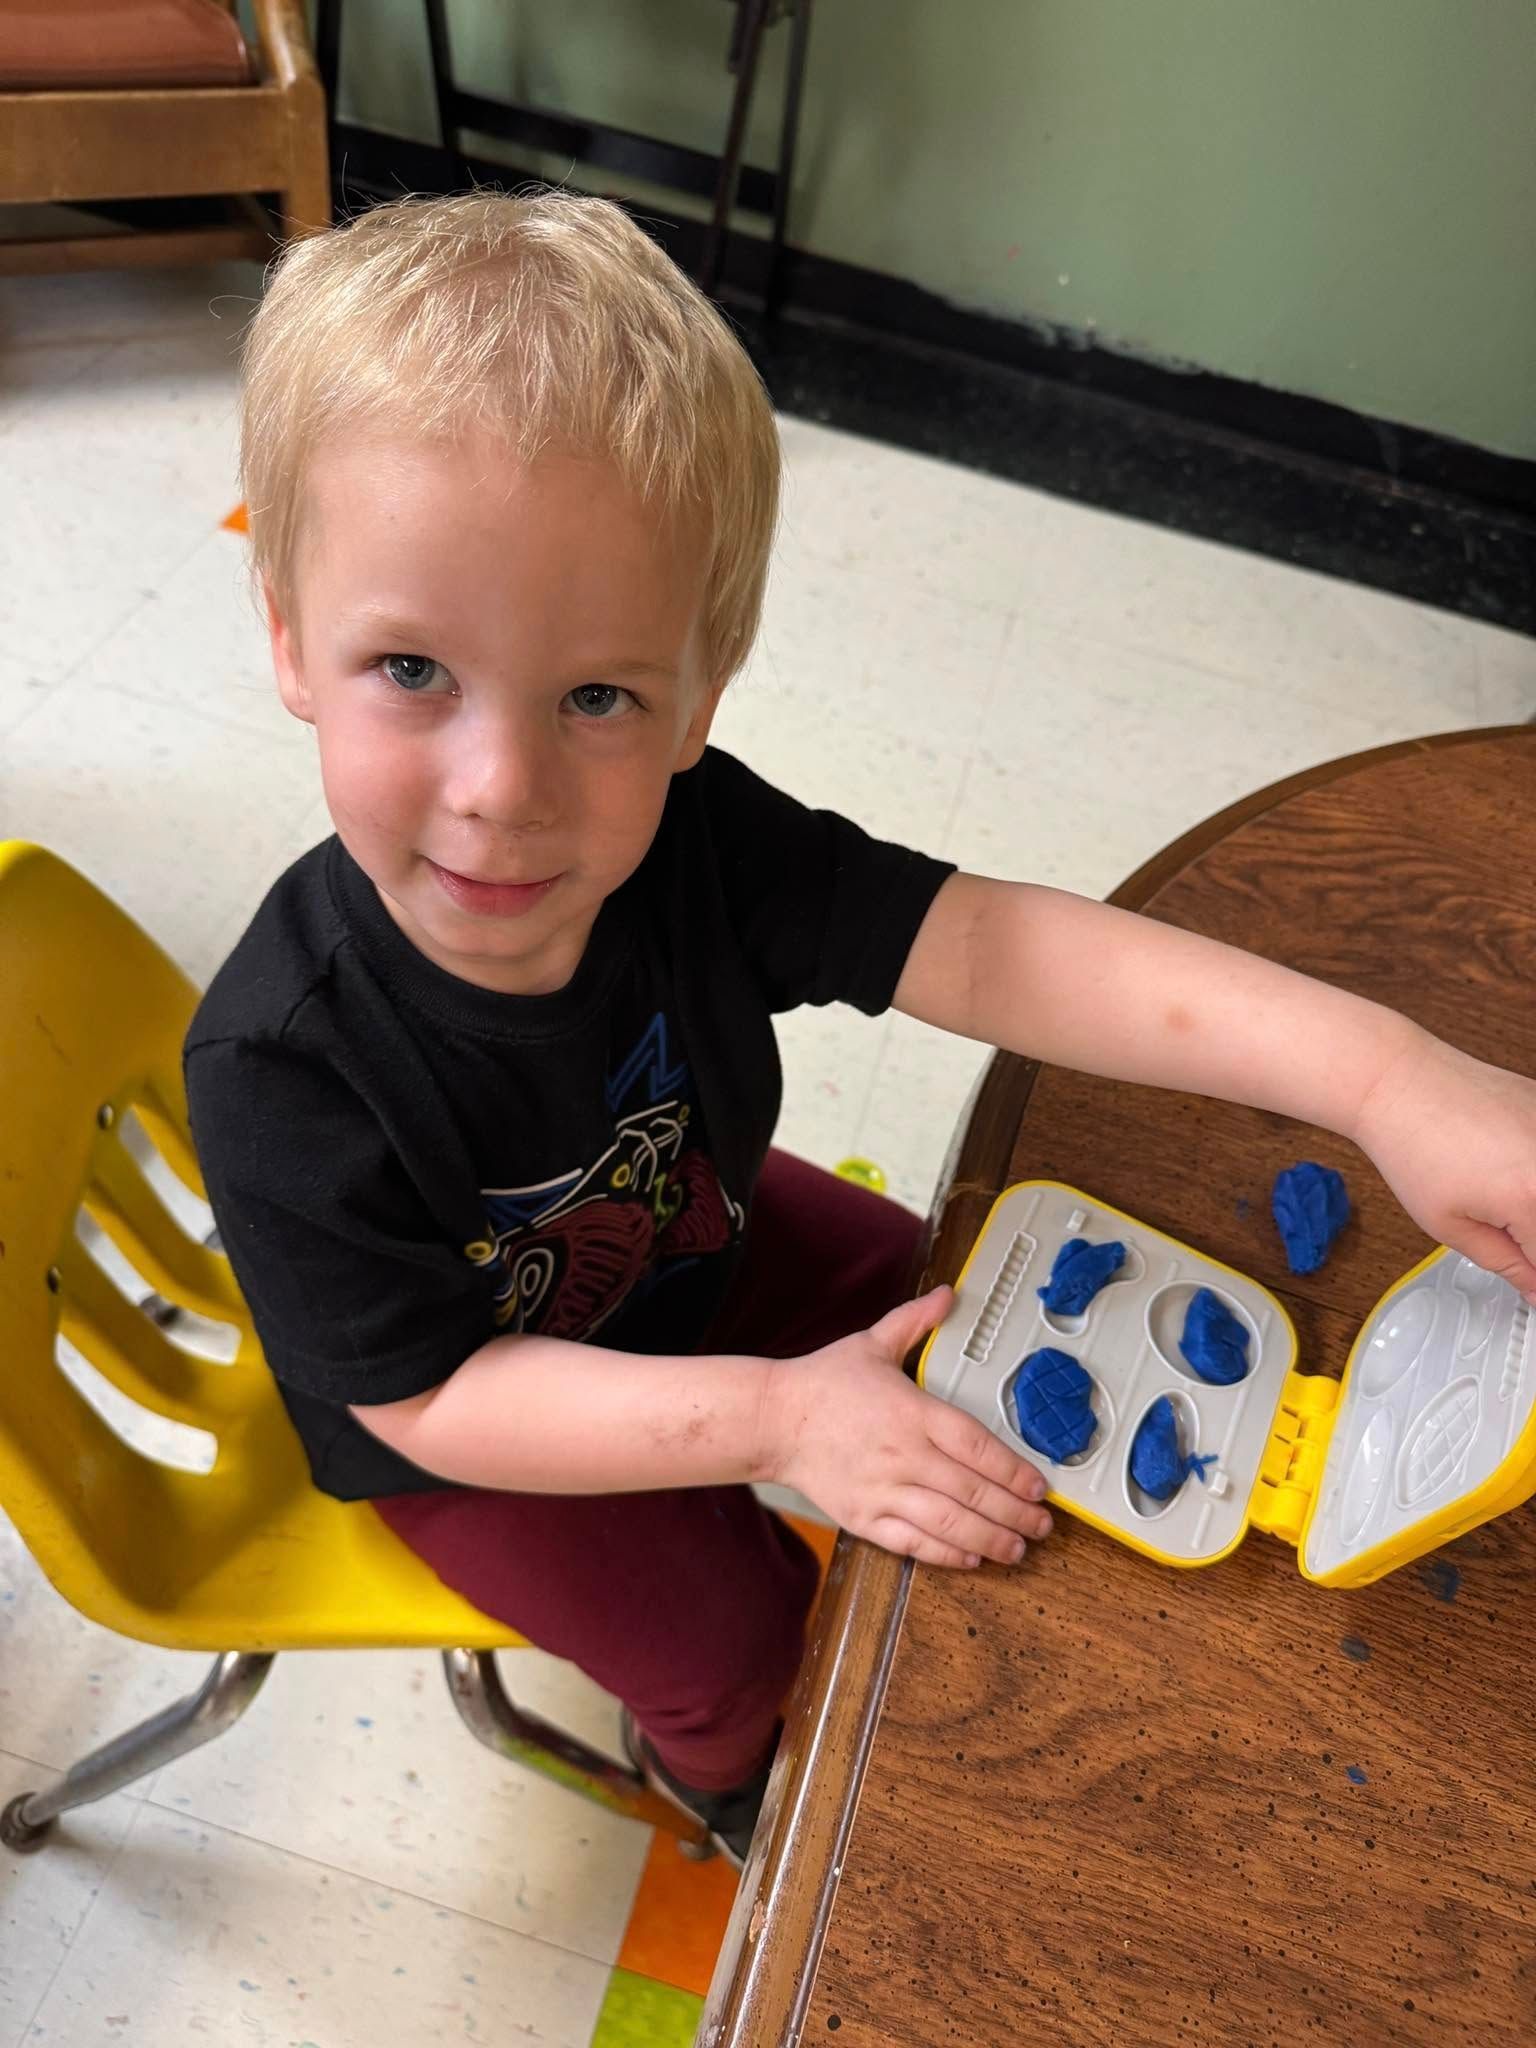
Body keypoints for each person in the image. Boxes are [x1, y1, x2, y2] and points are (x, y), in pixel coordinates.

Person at [186, 191, 1536, 1867]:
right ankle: (723, 1786)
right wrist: (774, 1421)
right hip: (478, 1423)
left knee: (958, 1309)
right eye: (410, 669)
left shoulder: (696, 838)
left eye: (597, 696)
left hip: (684, 1250)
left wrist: (1387, 1072)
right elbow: (430, 1402)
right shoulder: (276, 1068)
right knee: (740, 1644)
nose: (502, 792)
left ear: (704, 688)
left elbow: (987, 942)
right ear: (289, 641)